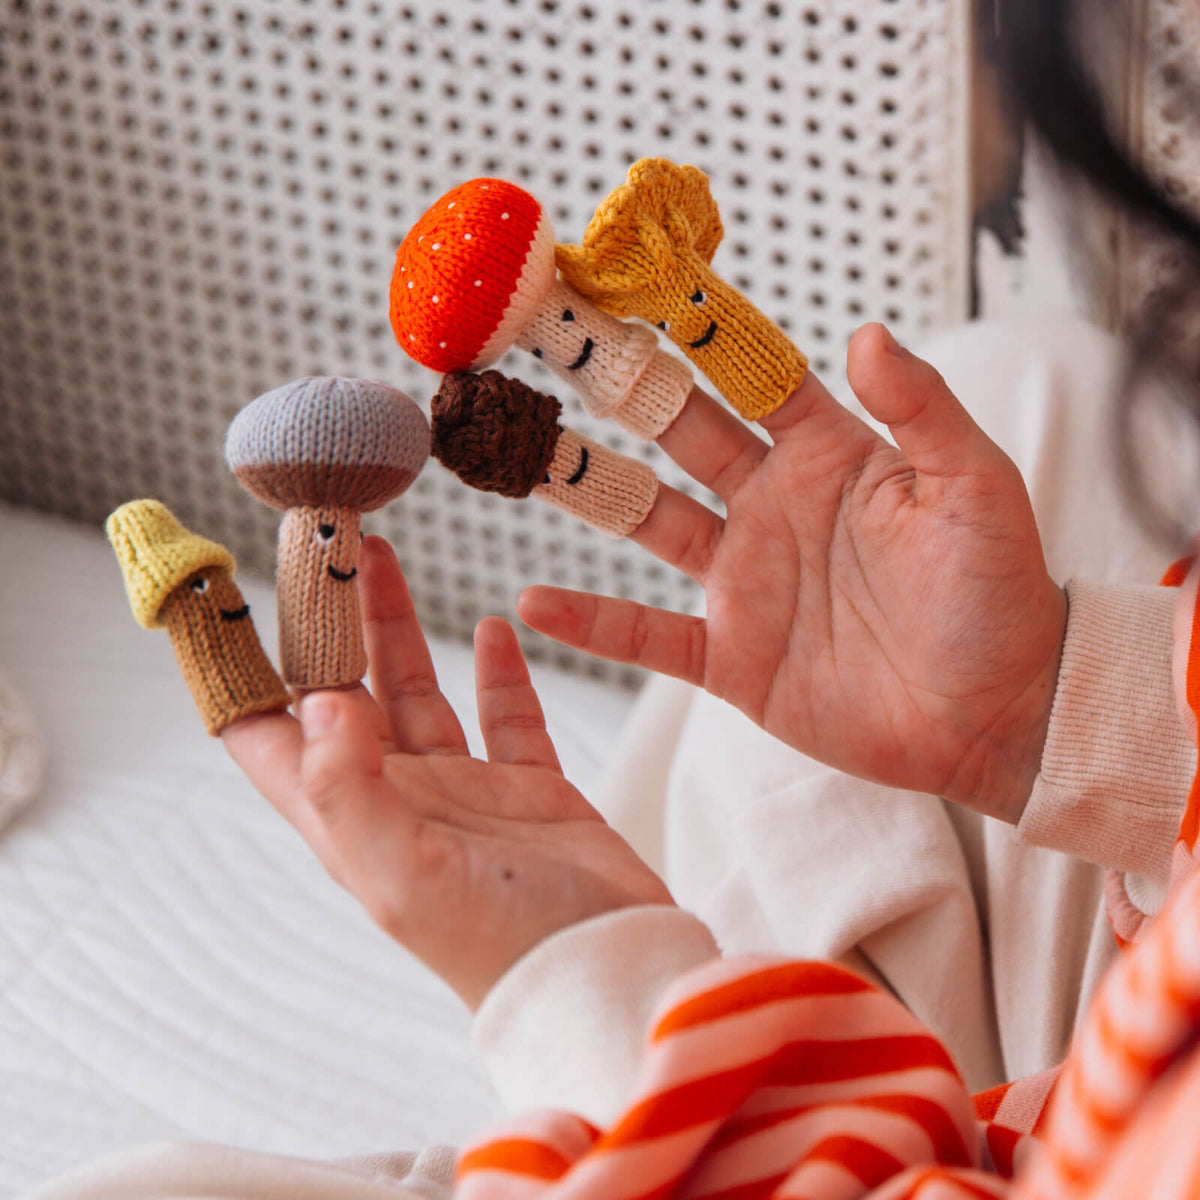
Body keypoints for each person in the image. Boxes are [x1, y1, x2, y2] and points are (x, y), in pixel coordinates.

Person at [29, 0, 1200, 1195]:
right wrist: (1053, 705)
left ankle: (669, 1092)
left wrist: (573, 962)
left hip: (986, 1147)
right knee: (1036, 382)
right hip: (1105, 1038)